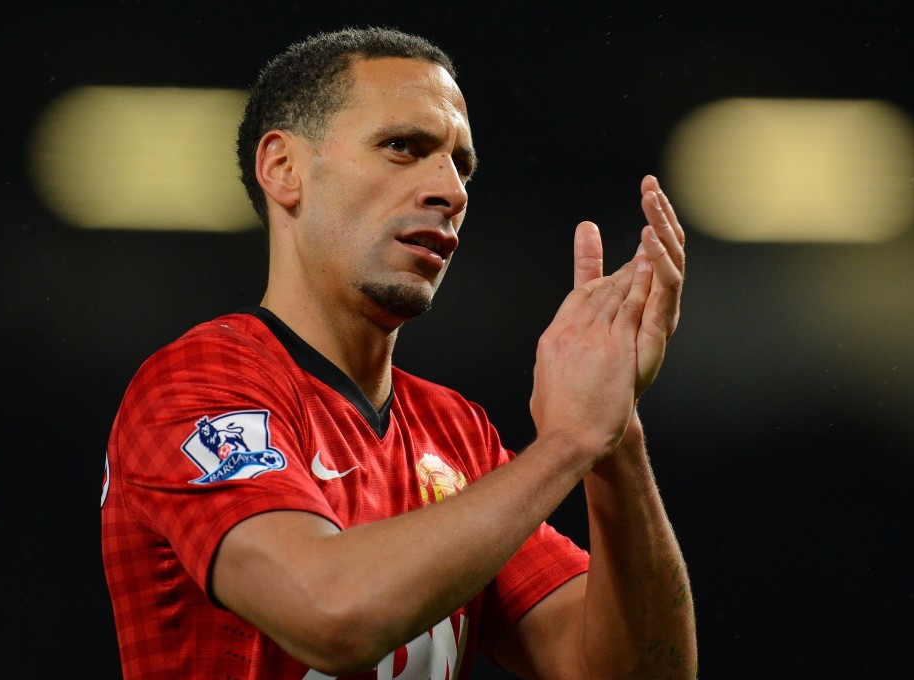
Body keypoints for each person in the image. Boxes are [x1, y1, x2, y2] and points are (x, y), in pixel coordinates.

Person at [101, 27, 696, 680]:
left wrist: (616, 435)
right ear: (284, 168)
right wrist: (567, 444)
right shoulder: (195, 389)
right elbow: (330, 615)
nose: (451, 191)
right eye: (402, 148)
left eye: (461, 166)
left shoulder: (457, 435)